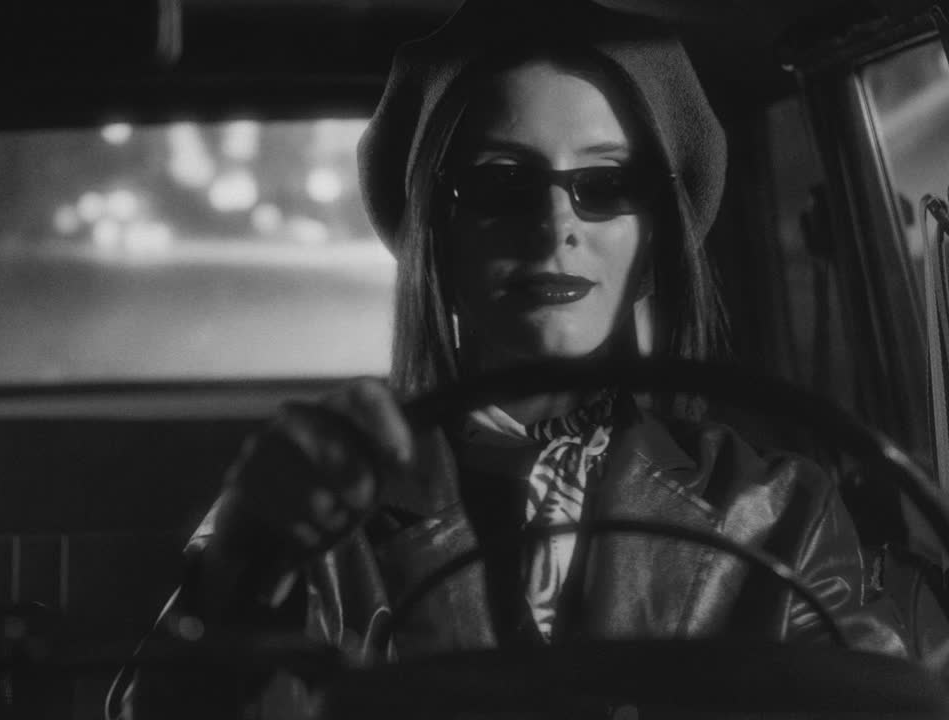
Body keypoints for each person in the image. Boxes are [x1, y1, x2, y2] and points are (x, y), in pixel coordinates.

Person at [114, 2, 910, 717]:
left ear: (657, 234)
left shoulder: (777, 510)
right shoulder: (314, 511)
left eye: (605, 183)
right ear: (437, 233)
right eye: (502, 184)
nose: (555, 223)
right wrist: (247, 560)